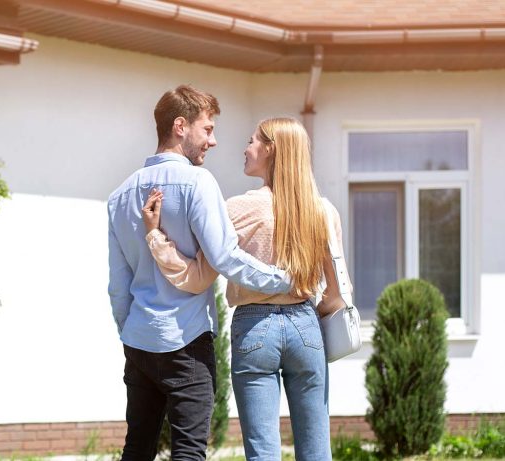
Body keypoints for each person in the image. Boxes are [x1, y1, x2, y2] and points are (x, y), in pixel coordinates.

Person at [141, 117, 349, 461]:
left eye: (252, 141)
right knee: (316, 450)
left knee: (262, 451)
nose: (245, 148)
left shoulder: (236, 209)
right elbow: (337, 292)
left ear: (271, 149)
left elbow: (197, 276)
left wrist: (156, 236)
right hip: (306, 325)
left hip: (255, 328)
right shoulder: (323, 210)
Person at [107, 85, 293, 461]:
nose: (214, 140)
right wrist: (284, 280)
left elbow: (118, 285)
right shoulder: (197, 183)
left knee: (136, 450)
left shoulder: (120, 196)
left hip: (139, 341)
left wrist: (131, 333)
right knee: (189, 453)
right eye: (207, 129)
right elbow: (226, 257)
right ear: (180, 126)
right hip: (187, 340)